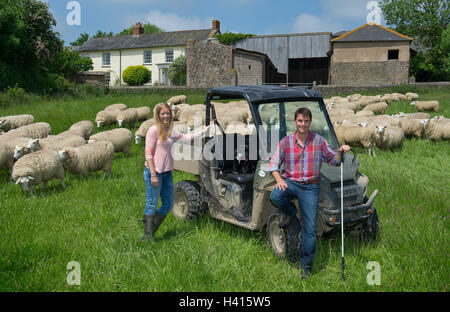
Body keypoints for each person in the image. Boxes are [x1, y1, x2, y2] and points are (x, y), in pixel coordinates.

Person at [267, 107, 350, 279]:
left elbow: (333, 160)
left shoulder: (319, 141)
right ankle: (291, 213)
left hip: (311, 187)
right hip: (290, 182)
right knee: (275, 196)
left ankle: (305, 266)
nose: (303, 124)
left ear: (310, 122)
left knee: (310, 229)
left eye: (306, 121)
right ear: (295, 122)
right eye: (300, 121)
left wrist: (340, 153)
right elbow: (273, 165)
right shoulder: (286, 142)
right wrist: (279, 180)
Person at [142, 102, 208, 241]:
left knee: (168, 204)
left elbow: (186, 138)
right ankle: (147, 236)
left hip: (167, 174)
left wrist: (204, 129)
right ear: (158, 115)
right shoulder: (153, 130)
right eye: (163, 113)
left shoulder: (170, 130)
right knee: (151, 203)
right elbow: (148, 153)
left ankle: (151, 226)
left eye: (167, 113)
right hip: (154, 173)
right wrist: (153, 174)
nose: (166, 116)